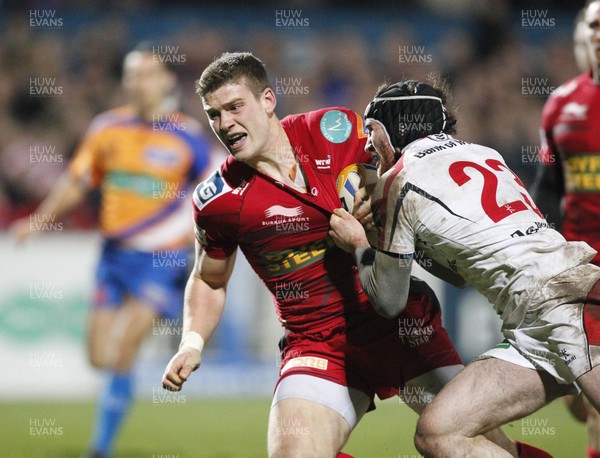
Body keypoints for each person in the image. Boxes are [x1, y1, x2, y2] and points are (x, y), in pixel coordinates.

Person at [161, 51, 549, 458]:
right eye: (214, 115)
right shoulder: (219, 200)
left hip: (400, 323)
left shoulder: (335, 128)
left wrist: (378, 205)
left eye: (234, 107)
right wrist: (192, 342)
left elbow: (409, 168)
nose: (226, 124)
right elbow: (209, 278)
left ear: (268, 101)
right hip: (317, 342)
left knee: (465, 444)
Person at [328, 76, 600, 457]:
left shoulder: (398, 179)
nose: (371, 147)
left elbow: (389, 301)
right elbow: (458, 273)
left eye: (372, 131)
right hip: (543, 314)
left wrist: (360, 245)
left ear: (392, 129)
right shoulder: (485, 153)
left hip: (567, 305)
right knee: (439, 432)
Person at [10, 43, 212, 457]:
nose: (141, 82)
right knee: (99, 356)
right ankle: (120, 390)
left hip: (161, 260)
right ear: (125, 82)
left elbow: (210, 190)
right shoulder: (107, 128)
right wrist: (38, 220)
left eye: (150, 74)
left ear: (167, 81)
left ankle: (100, 448)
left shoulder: (188, 137)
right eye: (133, 74)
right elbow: (76, 182)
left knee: (122, 349)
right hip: (113, 257)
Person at [531, 3, 600, 457]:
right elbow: (548, 188)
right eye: (595, 24)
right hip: (582, 266)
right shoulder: (561, 104)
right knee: (581, 400)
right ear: (583, 36)